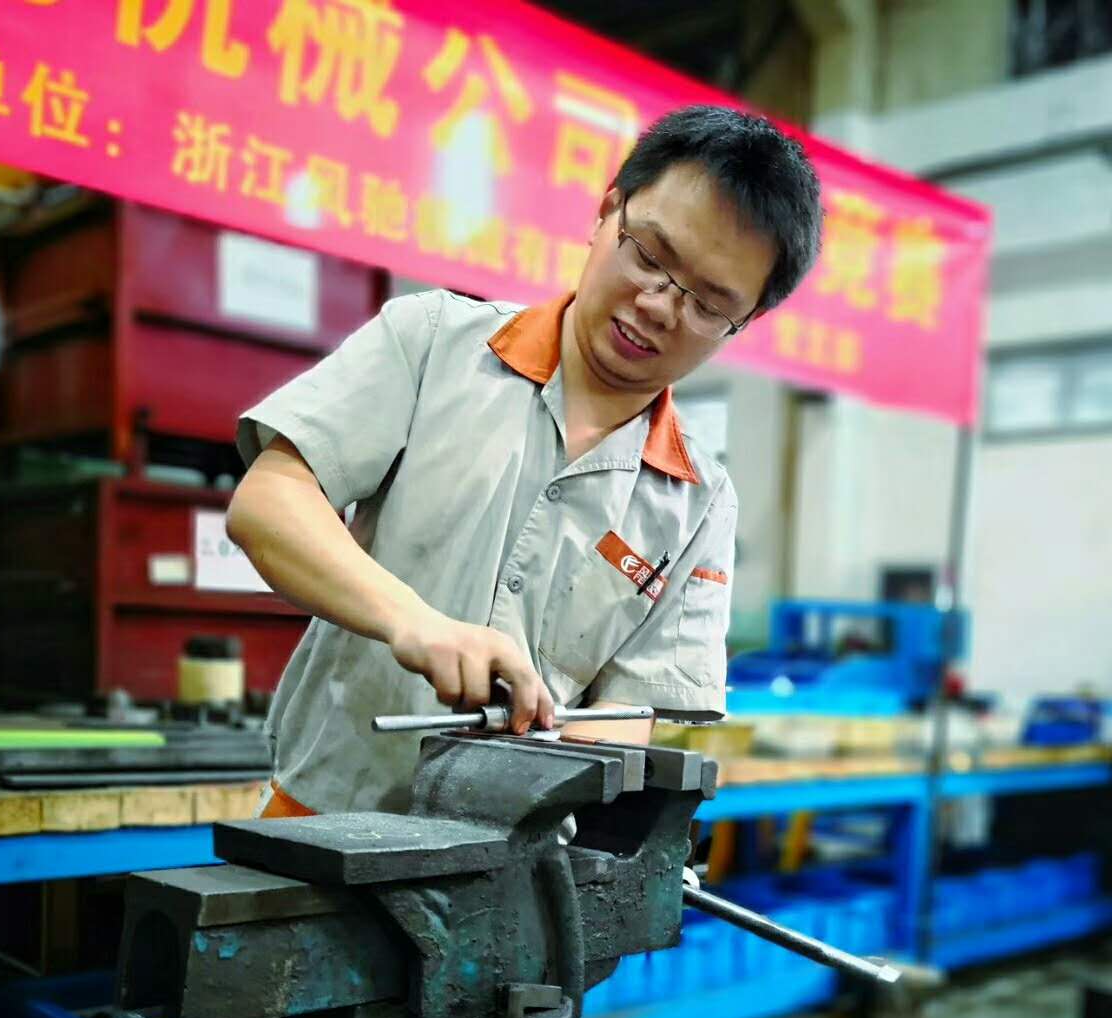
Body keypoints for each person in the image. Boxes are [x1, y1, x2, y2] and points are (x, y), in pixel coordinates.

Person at [227, 105, 823, 815]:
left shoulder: (700, 504)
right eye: (649, 255)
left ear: (744, 323)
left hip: (512, 861)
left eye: (708, 303)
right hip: (318, 826)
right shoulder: (433, 344)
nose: (660, 306)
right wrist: (414, 622)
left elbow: (628, 713)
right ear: (606, 212)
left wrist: (558, 760)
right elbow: (268, 504)